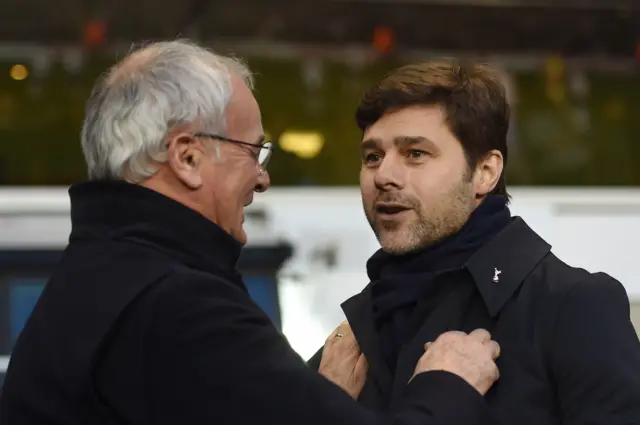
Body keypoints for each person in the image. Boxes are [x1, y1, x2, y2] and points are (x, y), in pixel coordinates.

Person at [0, 40, 501, 425]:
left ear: (487, 171)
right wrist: (445, 388)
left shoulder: (102, 273)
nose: (262, 176)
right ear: (188, 157)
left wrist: (317, 402)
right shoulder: (177, 304)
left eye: (416, 153)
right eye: (251, 151)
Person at [308, 60, 640, 424]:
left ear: (484, 172)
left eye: (415, 153)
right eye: (373, 157)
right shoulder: (349, 341)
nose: (384, 175)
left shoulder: (571, 306)